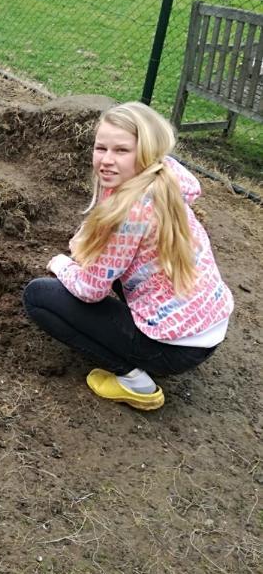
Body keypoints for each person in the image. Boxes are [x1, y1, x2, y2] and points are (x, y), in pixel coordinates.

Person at [23, 102, 233, 411]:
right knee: (109, 268)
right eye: (101, 148)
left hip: (173, 349)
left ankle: (135, 381)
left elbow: (91, 290)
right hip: (205, 326)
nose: (106, 160)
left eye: (121, 151)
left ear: (145, 152)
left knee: (39, 296)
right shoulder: (165, 174)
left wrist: (61, 263)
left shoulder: (128, 214)